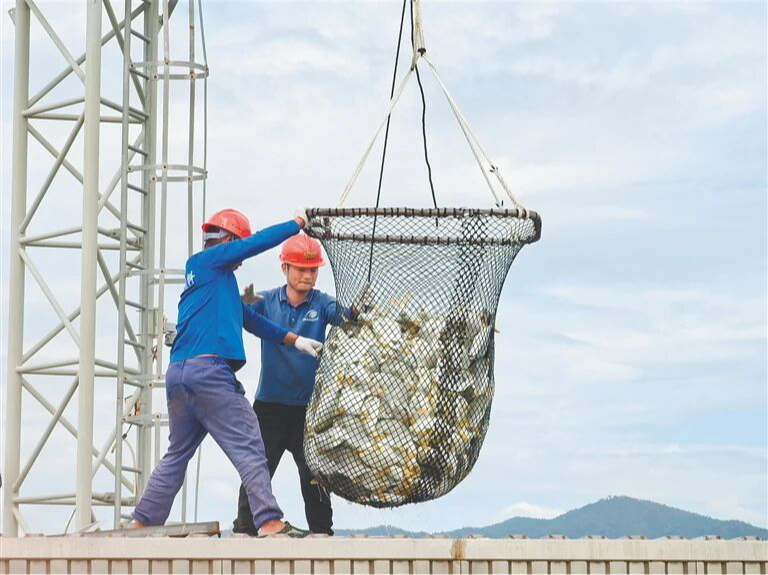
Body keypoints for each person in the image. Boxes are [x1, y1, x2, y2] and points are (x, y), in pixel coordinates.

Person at [132, 209, 323, 537]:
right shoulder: (209, 261)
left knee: (177, 453)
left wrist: (295, 340)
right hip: (209, 372)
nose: (240, 259)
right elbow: (256, 245)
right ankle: (269, 521)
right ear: (229, 240)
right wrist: (297, 224)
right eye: (238, 246)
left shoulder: (211, 280)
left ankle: (142, 521)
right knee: (250, 441)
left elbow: (251, 319)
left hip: (179, 375)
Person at [232, 233, 361, 536]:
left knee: (315, 472)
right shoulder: (265, 298)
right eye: (301, 269)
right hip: (270, 406)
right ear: (284, 269)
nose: (307, 275)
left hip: (309, 409)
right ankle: (244, 527)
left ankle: (321, 531)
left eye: (313, 269)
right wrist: (239, 292)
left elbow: (343, 316)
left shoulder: (322, 302)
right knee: (257, 467)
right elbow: (237, 301)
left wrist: (355, 312)